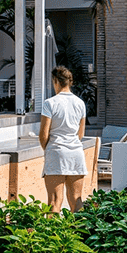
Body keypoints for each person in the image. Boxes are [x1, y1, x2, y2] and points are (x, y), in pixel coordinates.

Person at [38, 66, 89, 211]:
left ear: (55, 81)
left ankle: (52, 233)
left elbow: (43, 135)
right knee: (77, 200)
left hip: (56, 152)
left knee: (54, 202)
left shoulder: (50, 103)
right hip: (76, 154)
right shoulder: (80, 103)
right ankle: (80, 232)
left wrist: (49, 149)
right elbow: (80, 134)